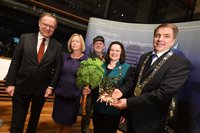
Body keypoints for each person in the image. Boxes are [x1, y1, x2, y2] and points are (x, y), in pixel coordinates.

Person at [111, 23, 190, 133]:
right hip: (133, 115)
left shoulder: (180, 63)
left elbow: (163, 94)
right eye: (157, 35)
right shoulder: (145, 56)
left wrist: (129, 102)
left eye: (166, 36)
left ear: (173, 41)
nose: (160, 39)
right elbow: (134, 79)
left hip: (150, 121)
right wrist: (121, 90)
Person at [5, 12, 62, 132]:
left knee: (34, 119)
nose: (48, 28)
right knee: (18, 119)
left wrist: (51, 86)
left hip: (41, 90)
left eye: (51, 26)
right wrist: (10, 83)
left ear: (54, 28)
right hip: (21, 85)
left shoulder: (57, 46)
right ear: (39, 24)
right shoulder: (25, 38)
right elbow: (15, 61)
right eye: (45, 24)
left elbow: (57, 68)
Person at [91, 41, 132, 133]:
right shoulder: (101, 65)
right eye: (112, 50)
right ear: (108, 51)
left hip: (113, 111)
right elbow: (95, 85)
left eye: (117, 51)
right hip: (98, 108)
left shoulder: (127, 68)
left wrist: (124, 113)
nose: (114, 53)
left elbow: (127, 91)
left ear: (121, 53)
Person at [52, 33, 88, 133]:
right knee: (58, 120)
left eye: (77, 41)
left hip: (74, 96)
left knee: (68, 122)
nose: (74, 43)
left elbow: (87, 80)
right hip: (60, 94)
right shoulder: (64, 57)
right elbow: (57, 73)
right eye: (72, 41)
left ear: (82, 44)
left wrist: (85, 91)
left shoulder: (86, 60)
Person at [81, 35, 105, 133]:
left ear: (103, 46)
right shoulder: (88, 57)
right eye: (96, 44)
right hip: (89, 90)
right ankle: (84, 130)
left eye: (100, 44)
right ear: (93, 46)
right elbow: (83, 73)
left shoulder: (107, 58)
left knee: (98, 113)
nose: (98, 45)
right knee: (86, 112)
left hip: (101, 91)